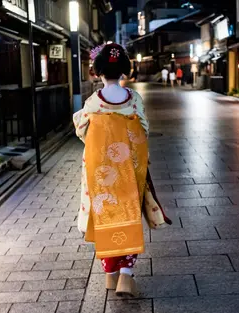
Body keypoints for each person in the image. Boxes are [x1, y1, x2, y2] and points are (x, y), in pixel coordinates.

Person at [73, 43, 150, 297]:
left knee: (105, 214)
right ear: (124, 71)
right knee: (128, 214)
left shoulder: (94, 102)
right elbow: (144, 131)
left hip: (101, 171)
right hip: (128, 170)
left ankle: (110, 274)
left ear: (98, 71)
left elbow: (83, 131)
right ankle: (126, 276)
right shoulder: (134, 100)